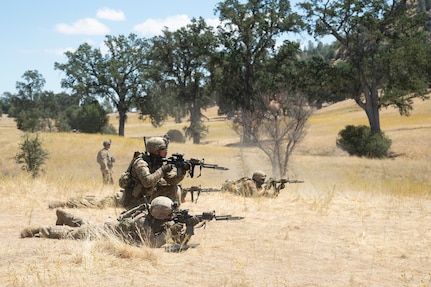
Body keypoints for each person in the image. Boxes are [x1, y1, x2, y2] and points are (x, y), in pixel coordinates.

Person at [20, 196, 200, 249]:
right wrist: (172, 229)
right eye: (169, 215)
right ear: (161, 215)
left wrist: (189, 224)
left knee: (85, 222)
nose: (171, 217)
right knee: (72, 234)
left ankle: (64, 214)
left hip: (109, 226)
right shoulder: (143, 223)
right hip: (106, 232)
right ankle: (41, 229)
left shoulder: (153, 216)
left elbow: (168, 232)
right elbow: (153, 244)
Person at [121, 136, 188, 210]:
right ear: (156, 150)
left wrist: (182, 171)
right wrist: (163, 169)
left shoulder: (158, 162)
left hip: (149, 196)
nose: (166, 151)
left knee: (174, 188)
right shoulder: (141, 163)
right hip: (136, 201)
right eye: (163, 149)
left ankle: (174, 214)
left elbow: (172, 181)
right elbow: (147, 182)